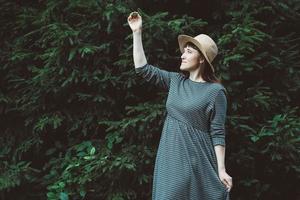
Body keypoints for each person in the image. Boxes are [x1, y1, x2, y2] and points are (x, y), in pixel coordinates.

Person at [127, 11, 233, 200]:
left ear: (202, 59)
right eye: (184, 51)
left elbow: (217, 133)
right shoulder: (175, 81)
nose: (183, 55)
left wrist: (221, 169)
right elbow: (143, 69)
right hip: (170, 157)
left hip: (196, 159)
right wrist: (137, 32)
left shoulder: (215, 92)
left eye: (189, 51)